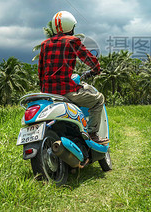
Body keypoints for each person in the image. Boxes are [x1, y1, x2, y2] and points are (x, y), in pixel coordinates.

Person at [38, 10, 109, 144]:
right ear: (70, 27)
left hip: (47, 92)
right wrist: (96, 69)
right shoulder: (72, 41)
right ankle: (92, 133)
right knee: (98, 99)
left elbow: (41, 71)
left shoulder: (45, 44)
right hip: (66, 90)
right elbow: (88, 58)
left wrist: (44, 90)